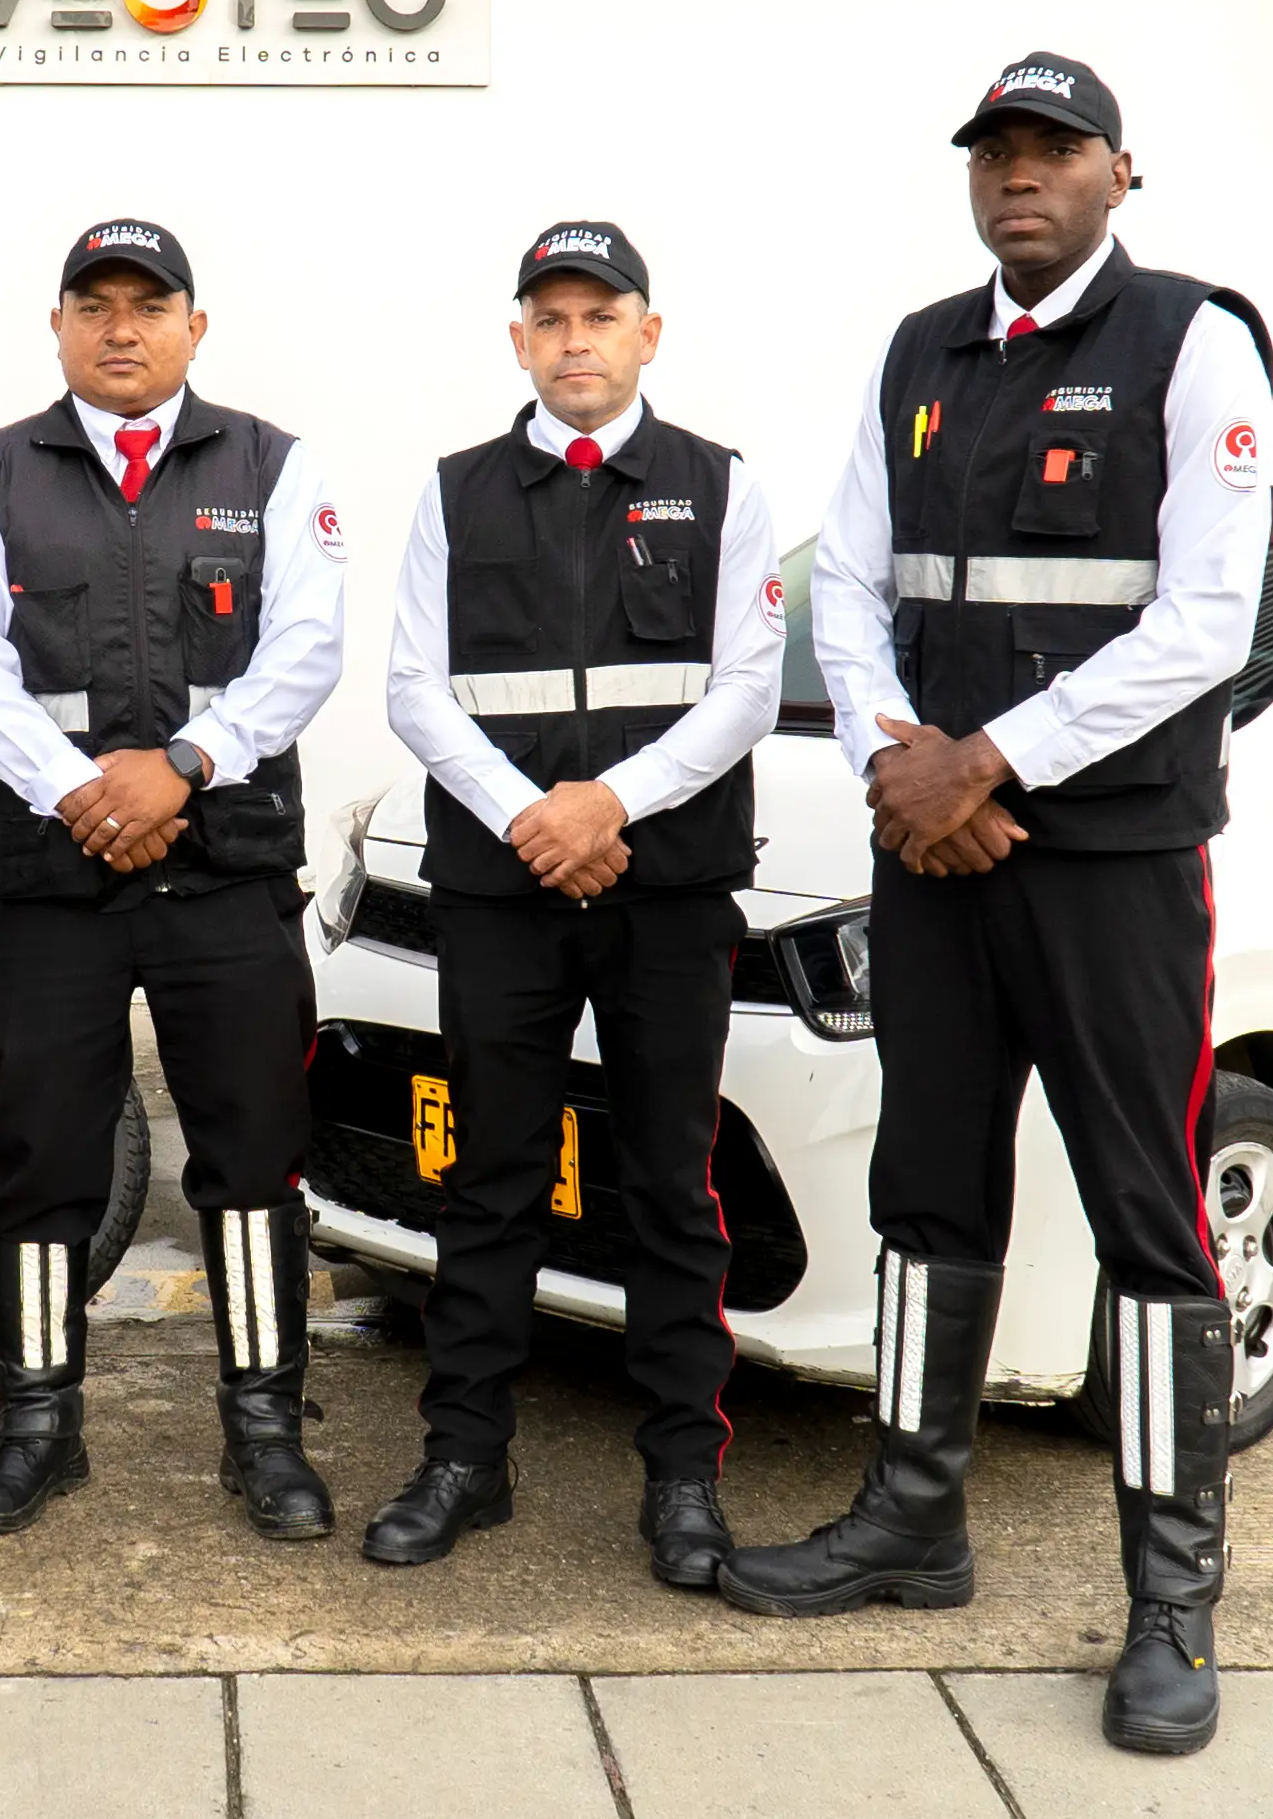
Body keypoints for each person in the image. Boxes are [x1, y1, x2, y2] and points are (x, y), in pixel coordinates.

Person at [715, 53, 1273, 1759]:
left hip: (1103, 862)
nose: (1018, 176)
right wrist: (905, 762)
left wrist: (995, 764)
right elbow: (856, 585)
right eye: (996, 154)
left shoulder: (1193, 345)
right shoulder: (921, 352)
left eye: (1052, 151)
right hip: (936, 852)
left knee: (1145, 1217)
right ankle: (913, 1518)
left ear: (1121, 171)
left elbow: (1207, 620)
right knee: (926, 1187)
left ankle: (1173, 1594)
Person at [0, 220, 348, 1540]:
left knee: (255, 1154)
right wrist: (84, 793)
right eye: (93, 304)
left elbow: (308, 644)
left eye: (148, 304)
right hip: (56, 879)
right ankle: (36, 1426)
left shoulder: (274, 464)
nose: (121, 327)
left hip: (225, 871)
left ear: (192, 327)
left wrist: (185, 768)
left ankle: (264, 1432)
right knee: (38, 1156)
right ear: (58, 327)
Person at [369, 220, 782, 1581]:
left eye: (599, 316)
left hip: (664, 890)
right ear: (519, 341)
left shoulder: (720, 488)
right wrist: (532, 818)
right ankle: (464, 1459)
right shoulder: (458, 491)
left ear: (647, 335)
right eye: (549, 319)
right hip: (504, 889)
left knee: (670, 1184)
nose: (575, 340)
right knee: (490, 1181)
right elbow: (415, 689)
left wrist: (611, 807)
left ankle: (682, 1481)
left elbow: (743, 693)